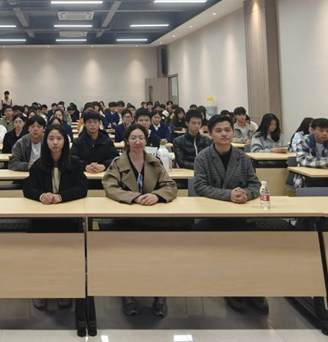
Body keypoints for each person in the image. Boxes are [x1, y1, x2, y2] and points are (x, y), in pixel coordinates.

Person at [192, 114, 268, 314]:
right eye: (218, 131)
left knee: (249, 248)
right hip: (214, 213)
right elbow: (200, 186)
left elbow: (255, 185)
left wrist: (246, 194)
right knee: (228, 245)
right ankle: (232, 288)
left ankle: (252, 288)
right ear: (210, 134)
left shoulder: (242, 157)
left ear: (233, 132)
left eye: (227, 130)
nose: (224, 134)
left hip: (241, 212)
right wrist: (228, 195)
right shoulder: (203, 157)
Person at [103, 124, 177, 317]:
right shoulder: (118, 163)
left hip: (152, 218)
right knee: (129, 258)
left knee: (156, 257)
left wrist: (156, 196)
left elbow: (170, 186)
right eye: (133, 138)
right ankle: (128, 294)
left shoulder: (155, 162)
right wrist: (134, 197)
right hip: (125, 218)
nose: (137, 141)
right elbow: (110, 187)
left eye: (141, 138)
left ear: (146, 140)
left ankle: (160, 294)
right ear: (127, 141)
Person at [23, 124, 88, 311]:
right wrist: (41, 195)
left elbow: (82, 188)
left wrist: (61, 197)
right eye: (51, 139)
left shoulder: (74, 164)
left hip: (68, 219)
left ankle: (65, 288)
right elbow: (27, 188)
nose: (55, 143)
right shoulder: (38, 164)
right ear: (46, 142)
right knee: (41, 255)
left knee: (66, 255)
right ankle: (41, 289)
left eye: (59, 139)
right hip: (42, 219)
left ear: (65, 142)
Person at [292, 118, 328, 188]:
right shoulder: (304, 141)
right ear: (312, 130)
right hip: (307, 179)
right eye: (321, 131)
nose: (325, 134)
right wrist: (327, 161)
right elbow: (302, 160)